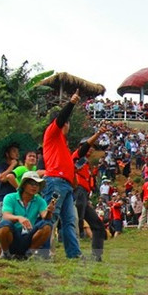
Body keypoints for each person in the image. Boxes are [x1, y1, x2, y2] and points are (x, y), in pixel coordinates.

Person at [41, 90, 84, 258]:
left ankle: (73, 253)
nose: (68, 126)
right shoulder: (52, 133)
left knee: (69, 221)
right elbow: (60, 118)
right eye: (67, 123)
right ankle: (43, 250)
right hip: (55, 181)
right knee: (50, 217)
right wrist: (71, 103)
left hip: (65, 184)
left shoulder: (62, 144)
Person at [0, 171, 55, 259]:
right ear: (24, 185)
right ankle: (6, 253)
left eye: (37, 184)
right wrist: (19, 218)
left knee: (47, 225)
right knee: (5, 225)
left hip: (28, 236)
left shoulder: (40, 200)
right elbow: (6, 216)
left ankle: (29, 253)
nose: (34, 186)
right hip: (13, 236)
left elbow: (45, 217)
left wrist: (49, 211)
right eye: (31, 183)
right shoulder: (10, 197)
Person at [72, 124, 109, 261]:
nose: (91, 149)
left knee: (98, 225)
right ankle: (74, 253)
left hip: (84, 195)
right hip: (77, 192)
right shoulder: (77, 157)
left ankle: (96, 256)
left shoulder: (87, 164)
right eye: (90, 146)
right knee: (77, 223)